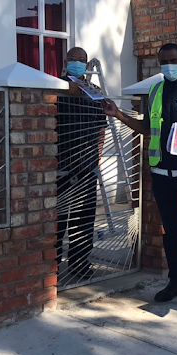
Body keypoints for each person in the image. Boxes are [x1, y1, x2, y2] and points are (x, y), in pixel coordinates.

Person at [102, 43, 177, 312]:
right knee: (170, 232)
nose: (168, 65)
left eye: (173, 60)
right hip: (163, 174)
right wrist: (119, 114)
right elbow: (147, 129)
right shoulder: (156, 90)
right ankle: (176, 282)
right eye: (163, 62)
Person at [55, 47, 106, 281]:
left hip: (87, 167)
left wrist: (96, 158)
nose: (77, 63)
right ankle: (51, 268)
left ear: (87, 65)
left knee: (84, 219)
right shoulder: (54, 90)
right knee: (57, 220)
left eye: (81, 60)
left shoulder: (94, 93)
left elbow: (101, 130)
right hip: (60, 166)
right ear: (65, 62)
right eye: (73, 60)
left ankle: (79, 265)